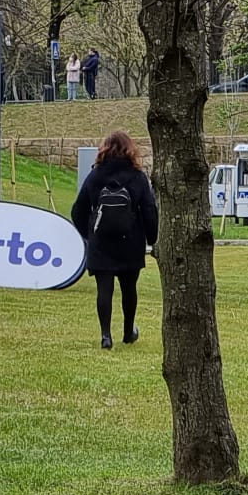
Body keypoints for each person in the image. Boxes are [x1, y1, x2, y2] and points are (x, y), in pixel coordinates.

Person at [71, 130, 159, 349]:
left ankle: (105, 335)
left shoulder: (95, 175)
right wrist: (151, 237)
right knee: (130, 289)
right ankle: (128, 331)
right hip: (131, 242)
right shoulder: (137, 177)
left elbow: (78, 210)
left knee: (104, 289)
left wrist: (88, 234)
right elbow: (149, 209)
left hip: (101, 242)